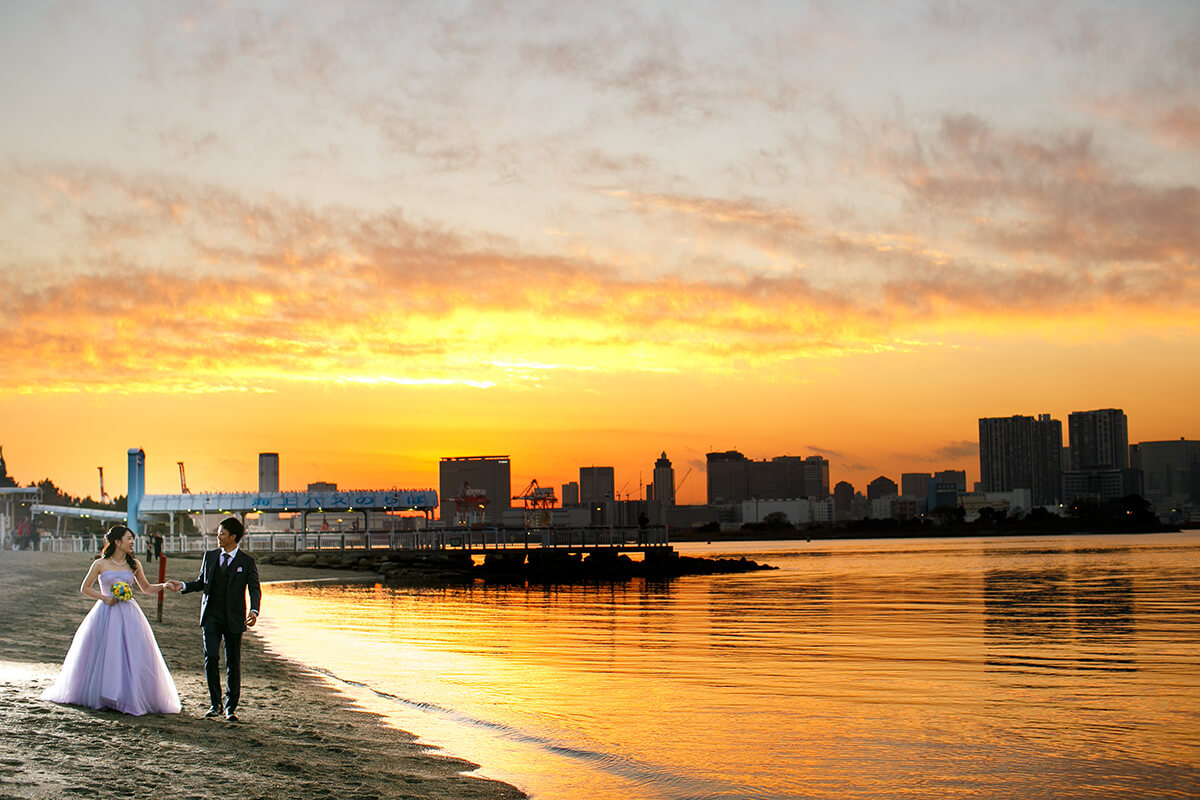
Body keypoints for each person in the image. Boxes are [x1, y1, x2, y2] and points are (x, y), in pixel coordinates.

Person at [41, 525, 181, 716]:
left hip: (129, 614)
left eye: (133, 538)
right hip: (105, 611)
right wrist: (105, 598)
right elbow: (85, 588)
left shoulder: (134, 564)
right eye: (129, 538)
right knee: (104, 653)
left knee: (130, 654)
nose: (132, 542)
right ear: (117, 542)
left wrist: (164, 585)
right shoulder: (100, 563)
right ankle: (103, 694)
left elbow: (146, 588)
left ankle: (125, 695)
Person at [167, 516, 260, 722]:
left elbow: (254, 589)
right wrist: (182, 585)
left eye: (222, 533)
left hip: (235, 619)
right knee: (211, 658)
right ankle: (214, 704)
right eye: (218, 532)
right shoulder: (209, 556)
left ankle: (230, 708)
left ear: (233, 537)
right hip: (211, 617)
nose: (218, 536)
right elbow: (201, 582)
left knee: (233, 663)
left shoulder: (247, 562)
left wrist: (254, 611)